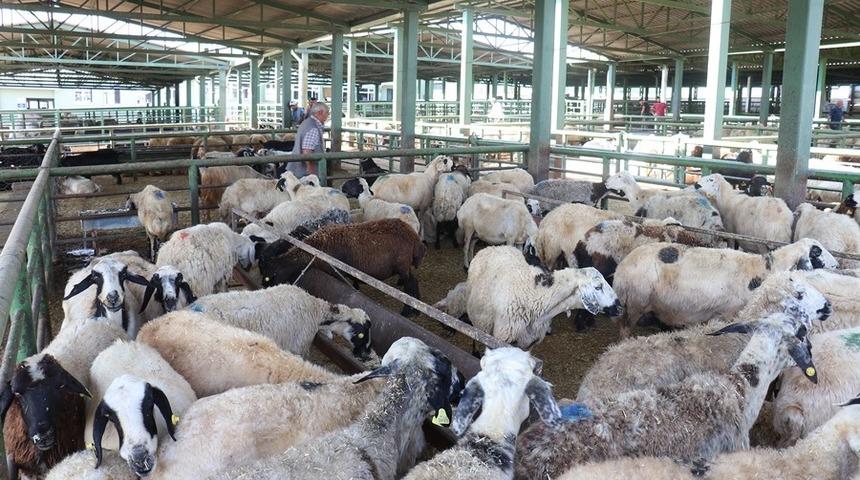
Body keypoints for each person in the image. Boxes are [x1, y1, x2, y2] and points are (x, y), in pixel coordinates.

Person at [288, 101, 329, 177]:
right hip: (304, 172)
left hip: (297, 169)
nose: (328, 116)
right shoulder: (313, 128)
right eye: (327, 113)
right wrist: (310, 167)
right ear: (320, 112)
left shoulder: (307, 122)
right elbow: (307, 150)